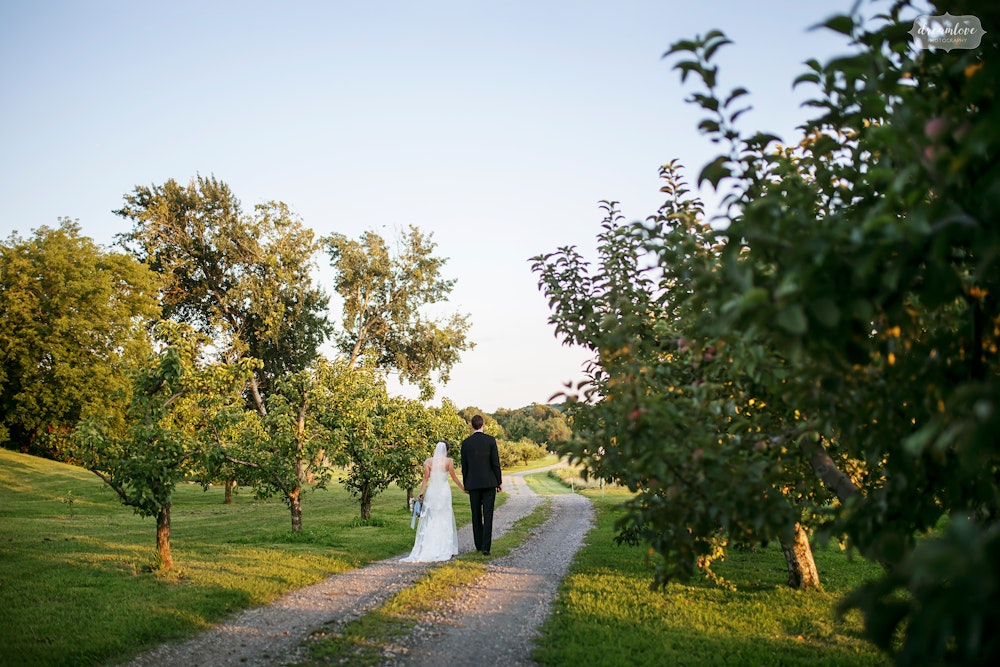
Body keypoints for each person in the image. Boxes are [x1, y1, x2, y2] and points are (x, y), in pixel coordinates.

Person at [400, 441, 465, 563]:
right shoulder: (449, 461)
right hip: (444, 492)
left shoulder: (428, 462)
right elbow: (454, 477)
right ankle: (445, 546)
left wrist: (421, 492)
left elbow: (425, 479)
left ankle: (429, 545)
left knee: (432, 518)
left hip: (432, 492)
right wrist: (463, 489)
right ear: (447, 450)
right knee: (444, 517)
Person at [460, 414, 502, 556]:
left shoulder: (466, 443)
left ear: (471, 426)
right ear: (483, 424)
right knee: (488, 515)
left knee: (476, 515)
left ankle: (478, 545)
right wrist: (499, 481)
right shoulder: (490, 440)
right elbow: (495, 463)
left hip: (473, 483)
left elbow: (464, 466)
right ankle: (486, 547)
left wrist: (466, 484)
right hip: (489, 482)